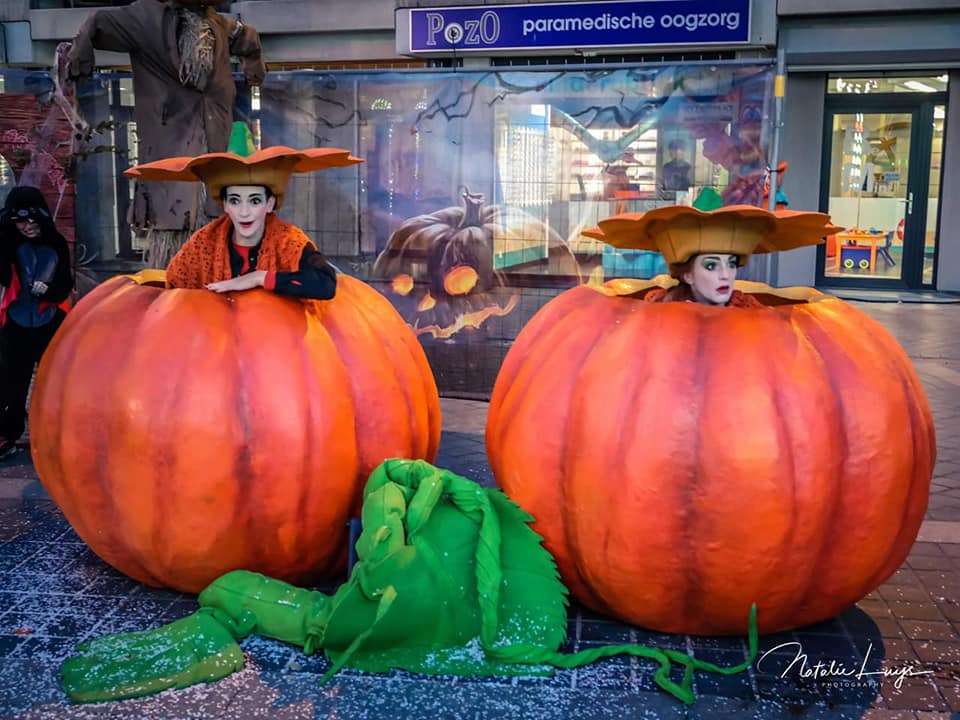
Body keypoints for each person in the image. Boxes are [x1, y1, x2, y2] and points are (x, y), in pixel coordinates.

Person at [124, 125, 363, 298]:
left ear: (270, 204)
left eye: (255, 200)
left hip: (276, 352)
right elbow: (175, 288)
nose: (244, 212)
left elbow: (324, 285)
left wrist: (259, 277)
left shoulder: (290, 243)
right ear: (225, 205)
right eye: (236, 201)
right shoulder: (202, 245)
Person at [583, 204, 842, 307]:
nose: (725, 275)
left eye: (731, 263)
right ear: (687, 274)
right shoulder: (658, 309)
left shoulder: (748, 308)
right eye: (710, 265)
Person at [0, 187, 74, 458]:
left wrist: (50, 291)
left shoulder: (55, 244)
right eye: (21, 221)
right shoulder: (7, 243)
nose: (28, 226)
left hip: (49, 321)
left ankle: (55, 434)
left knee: (55, 381)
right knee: (10, 382)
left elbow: (65, 283)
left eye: (33, 220)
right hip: (14, 324)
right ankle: (7, 433)